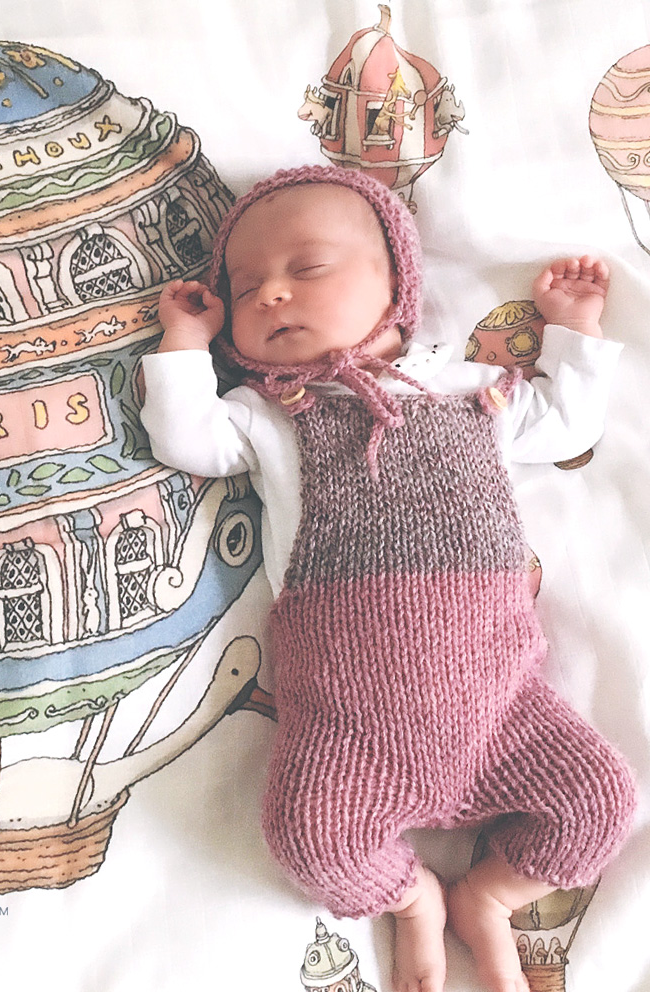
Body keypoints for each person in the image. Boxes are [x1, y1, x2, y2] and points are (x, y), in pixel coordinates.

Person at [139, 164, 636, 992]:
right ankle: (412, 900)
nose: (271, 294)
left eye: (306, 269)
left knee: (600, 803)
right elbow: (185, 438)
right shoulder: (270, 415)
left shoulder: (470, 391)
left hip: (503, 711)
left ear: (397, 285)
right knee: (310, 841)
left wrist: (572, 332)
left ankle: (490, 895)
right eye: (245, 286)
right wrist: (185, 343)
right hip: (348, 731)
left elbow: (564, 425)